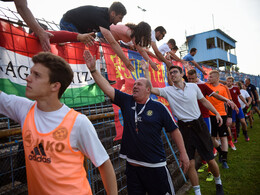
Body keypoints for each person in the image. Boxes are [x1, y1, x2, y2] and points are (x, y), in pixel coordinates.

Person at [0, 52, 117, 195]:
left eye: (36, 75)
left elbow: (104, 163)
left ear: (55, 86)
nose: (28, 78)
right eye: (30, 73)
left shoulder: (78, 122)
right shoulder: (23, 109)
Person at [84, 50, 189, 195]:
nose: (135, 86)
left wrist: (183, 153)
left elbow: (174, 130)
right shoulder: (127, 101)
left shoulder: (159, 107)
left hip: (155, 167)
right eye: (134, 84)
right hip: (133, 168)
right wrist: (94, 70)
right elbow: (107, 88)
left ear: (148, 90)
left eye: (139, 84)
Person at [143, 65, 225, 195]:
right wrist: (146, 71)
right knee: (190, 163)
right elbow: (151, 89)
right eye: (170, 73)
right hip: (184, 129)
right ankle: (198, 193)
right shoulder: (168, 90)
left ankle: (218, 183)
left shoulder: (193, 87)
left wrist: (217, 113)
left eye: (175, 72)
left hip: (199, 126)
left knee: (210, 158)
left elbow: (204, 101)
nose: (172, 74)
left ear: (182, 74)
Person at [187, 69, 237, 181]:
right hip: (201, 116)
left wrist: (229, 114)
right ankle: (215, 156)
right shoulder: (192, 85)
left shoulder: (220, 87)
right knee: (209, 140)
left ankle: (221, 161)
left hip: (218, 115)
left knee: (217, 139)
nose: (208, 78)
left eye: (211, 77)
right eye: (188, 79)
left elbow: (221, 98)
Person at [60, 2, 134, 71]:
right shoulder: (102, 17)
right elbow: (112, 43)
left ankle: (72, 67)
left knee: (85, 47)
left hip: (78, 27)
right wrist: (125, 60)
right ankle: (65, 66)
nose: (121, 21)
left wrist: (91, 33)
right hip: (68, 22)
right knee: (77, 49)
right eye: (120, 17)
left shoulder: (107, 19)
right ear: (113, 13)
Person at [205, 70, 233, 169]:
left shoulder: (223, 87)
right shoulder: (206, 85)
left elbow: (229, 102)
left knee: (223, 137)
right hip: (210, 115)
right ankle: (221, 152)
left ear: (217, 78)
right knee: (211, 138)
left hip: (222, 115)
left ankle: (224, 160)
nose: (209, 78)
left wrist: (229, 116)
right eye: (209, 76)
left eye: (211, 77)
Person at [226, 76, 250, 142]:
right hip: (231, 108)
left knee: (243, 122)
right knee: (233, 124)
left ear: (232, 82)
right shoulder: (225, 89)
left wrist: (245, 102)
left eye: (230, 81)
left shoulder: (236, 88)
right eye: (228, 81)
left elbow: (240, 96)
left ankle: (245, 134)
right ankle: (235, 139)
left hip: (238, 107)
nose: (229, 82)